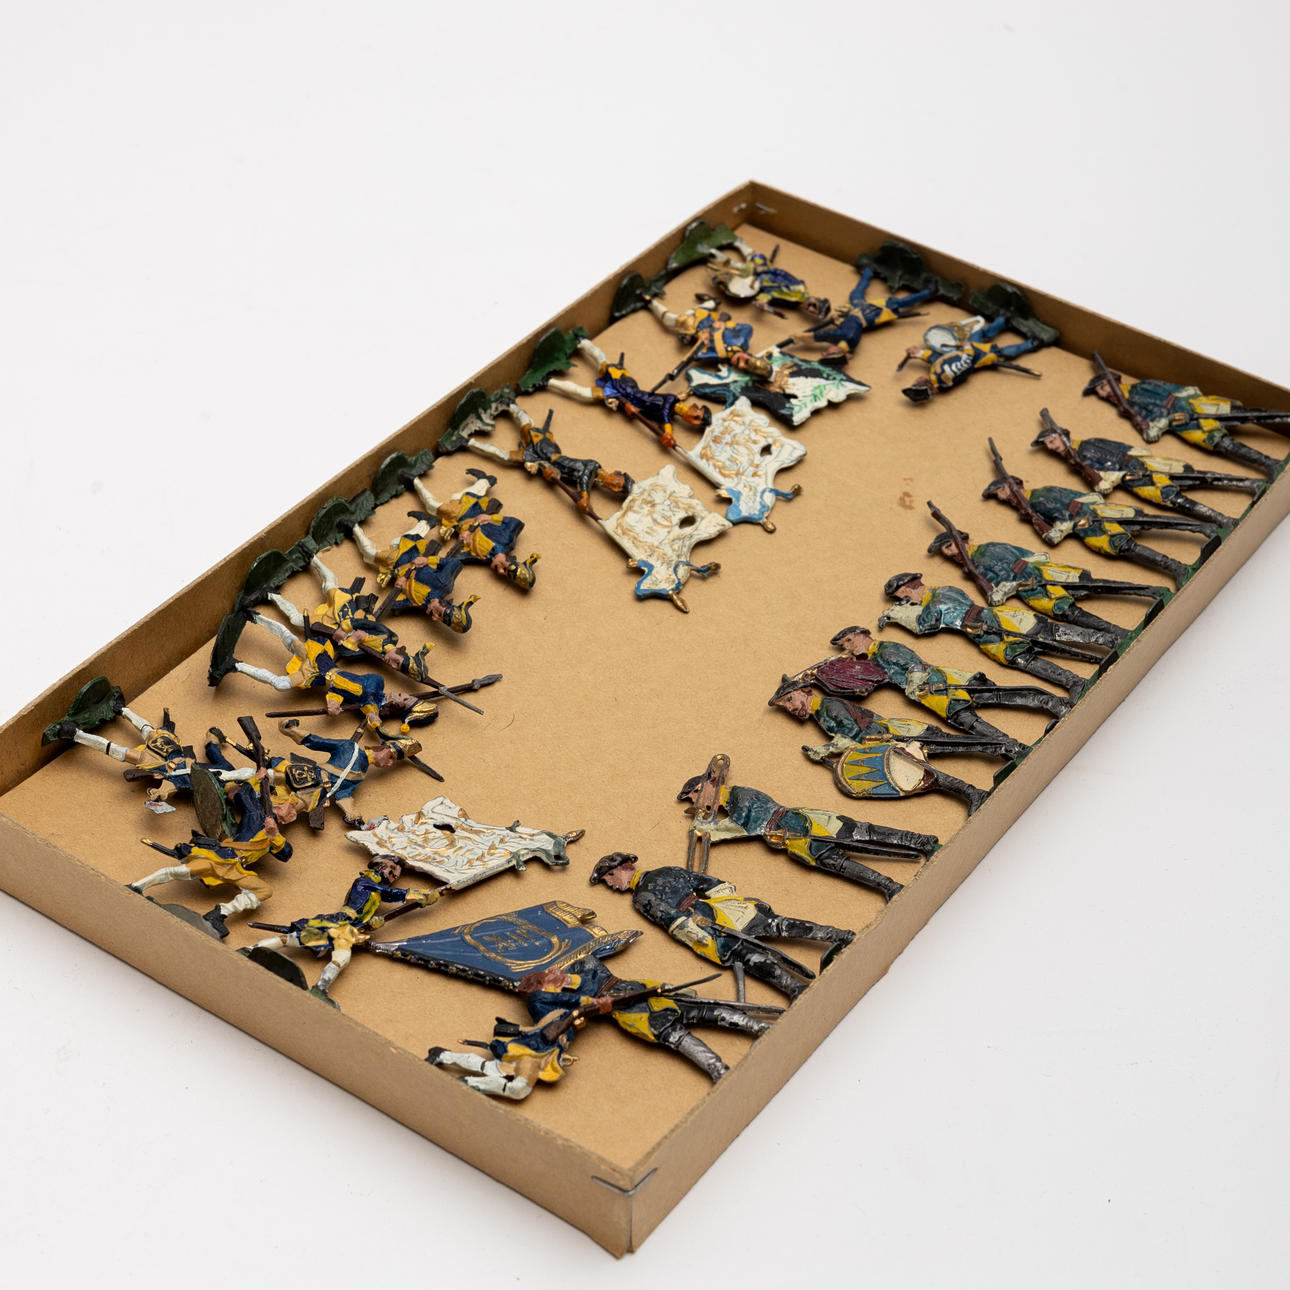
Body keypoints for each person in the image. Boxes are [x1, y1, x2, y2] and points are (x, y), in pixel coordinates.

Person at [589, 853, 853, 1001]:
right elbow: (708, 882)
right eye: (605, 881)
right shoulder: (665, 869)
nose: (610, 884)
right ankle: (837, 937)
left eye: (610, 875)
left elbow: (672, 919)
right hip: (720, 911)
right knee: (777, 928)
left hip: (707, 924)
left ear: (625, 866)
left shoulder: (641, 897)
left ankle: (796, 987)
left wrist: (700, 937)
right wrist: (728, 899)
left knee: (753, 950)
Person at [674, 772, 938, 898]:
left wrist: (710, 830)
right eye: (691, 800)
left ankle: (921, 842)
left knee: (863, 833)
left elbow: (745, 826)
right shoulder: (731, 803)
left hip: (799, 825)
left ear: (708, 784)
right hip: (792, 837)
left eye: (695, 795)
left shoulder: (740, 795)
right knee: (836, 862)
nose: (695, 801)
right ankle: (889, 886)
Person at [879, 573, 1116, 701]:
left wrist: (899, 614)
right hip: (987, 624)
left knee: (1043, 639)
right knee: (1028, 652)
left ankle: (1094, 657)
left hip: (987, 626)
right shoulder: (946, 589)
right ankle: (1081, 671)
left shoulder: (934, 602)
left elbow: (924, 625)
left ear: (909, 589)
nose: (907, 601)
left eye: (904, 597)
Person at [246, 857, 441, 1001]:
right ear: (379, 866)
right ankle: (250, 950)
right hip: (339, 922)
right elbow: (388, 894)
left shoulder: (376, 890)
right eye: (392, 869)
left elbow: (380, 900)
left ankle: (320, 989)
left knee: (342, 958)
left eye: (396, 873)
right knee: (294, 940)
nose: (394, 875)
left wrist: (373, 923)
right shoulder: (364, 882)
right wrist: (418, 894)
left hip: (349, 930)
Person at [128, 777, 293, 938]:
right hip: (220, 857)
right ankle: (136, 886)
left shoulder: (276, 837)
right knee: (179, 872)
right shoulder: (255, 815)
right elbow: (242, 795)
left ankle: (219, 914)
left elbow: (286, 854)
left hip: (236, 868)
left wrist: (274, 835)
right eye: (289, 806)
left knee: (264, 890)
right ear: (277, 805)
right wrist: (257, 778)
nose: (292, 810)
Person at [926, 528, 1161, 638]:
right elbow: (993, 592)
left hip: (1043, 575)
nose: (948, 553)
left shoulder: (989, 549)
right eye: (945, 551)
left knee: (1098, 585)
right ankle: (1118, 632)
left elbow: (1028, 555)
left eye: (949, 546)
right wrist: (998, 592)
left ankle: (1151, 591)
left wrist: (1027, 569)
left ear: (962, 540)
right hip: (1031, 592)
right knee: (1070, 613)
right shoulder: (971, 569)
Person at [768, 675, 1016, 760]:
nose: (790, 708)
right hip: (892, 738)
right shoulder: (821, 713)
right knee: (953, 745)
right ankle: (1003, 746)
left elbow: (851, 735)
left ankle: (1006, 746)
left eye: (789, 700)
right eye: (784, 706)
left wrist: (824, 749)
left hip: (900, 733)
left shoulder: (829, 707)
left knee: (954, 744)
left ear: (805, 691)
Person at [779, 264, 934, 364]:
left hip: (855, 309)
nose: (825, 352)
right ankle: (929, 291)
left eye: (825, 353)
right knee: (899, 303)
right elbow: (826, 334)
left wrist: (802, 337)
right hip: (870, 313)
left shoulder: (843, 338)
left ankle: (868, 270)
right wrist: (802, 337)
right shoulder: (849, 338)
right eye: (828, 353)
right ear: (838, 352)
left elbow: (827, 334)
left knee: (856, 292)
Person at [900, 315, 1040, 402]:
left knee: (980, 333)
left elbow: (936, 358)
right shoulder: (944, 378)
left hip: (966, 349)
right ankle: (1032, 344)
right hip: (977, 356)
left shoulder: (935, 375)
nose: (916, 380)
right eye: (917, 383)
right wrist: (967, 349)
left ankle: (1003, 321)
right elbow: (965, 364)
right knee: (1002, 352)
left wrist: (918, 353)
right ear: (924, 385)